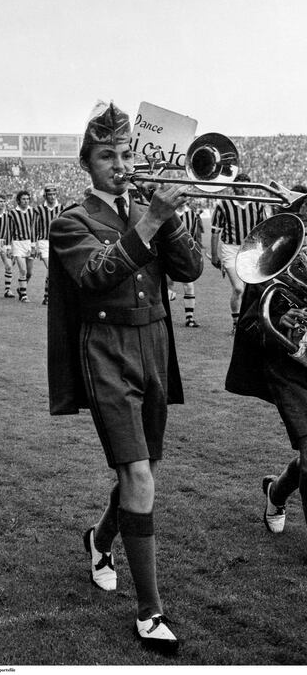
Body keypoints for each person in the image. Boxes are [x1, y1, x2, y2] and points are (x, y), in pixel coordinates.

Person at [48, 101, 202, 652]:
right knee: (138, 474)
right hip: (107, 349)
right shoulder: (72, 220)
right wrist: (151, 220)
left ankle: (99, 539)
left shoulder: (147, 208)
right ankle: (151, 611)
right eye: (107, 155)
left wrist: (167, 216)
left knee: (146, 470)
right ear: (86, 164)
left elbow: (191, 271)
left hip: (155, 344)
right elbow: (96, 274)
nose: (120, 163)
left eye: (125, 152)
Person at [226, 278, 307, 537]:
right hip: (291, 372)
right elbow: (248, 324)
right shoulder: (282, 264)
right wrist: (279, 319)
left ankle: (276, 491)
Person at [210, 174, 269, 332]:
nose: (243, 188)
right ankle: (237, 324)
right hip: (230, 248)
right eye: (239, 185)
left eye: (246, 185)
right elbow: (215, 231)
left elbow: (264, 229)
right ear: (234, 187)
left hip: (251, 249)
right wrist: (215, 256)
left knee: (253, 289)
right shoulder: (224, 204)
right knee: (238, 288)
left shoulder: (258, 205)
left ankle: (249, 323)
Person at [170, 202, 203, 327]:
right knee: (167, 287)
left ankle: (190, 318)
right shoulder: (169, 211)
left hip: (185, 253)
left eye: (185, 195)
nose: (183, 198)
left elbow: (193, 236)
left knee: (189, 285)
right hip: (168, 253)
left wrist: (194, 252)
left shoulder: (192, 214)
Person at [7, 190, 38, 303]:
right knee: (23, 270)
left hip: (29, 243)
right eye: (23, 199)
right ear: (18, 200)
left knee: (30, 273)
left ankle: (21, 289)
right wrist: (8, 247)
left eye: (27, 199)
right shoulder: (12, 213)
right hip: (17, 244)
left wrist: (34, 245)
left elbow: (33, 229)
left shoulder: (32, 211)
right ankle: (23, 295)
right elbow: (9, 231)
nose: (26, 201)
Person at [36, 184, 63, 305]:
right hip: (43, 242)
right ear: (45, 196)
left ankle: (46, 296)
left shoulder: (62, 208)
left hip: (58, 241)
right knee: (51, 267)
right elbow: (34, 227)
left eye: (54, 194)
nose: (52, 197)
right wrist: (34, 244)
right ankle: (48, 296)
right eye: (49, 195)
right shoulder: (39, 209)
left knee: (53, 270)